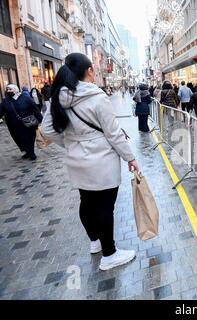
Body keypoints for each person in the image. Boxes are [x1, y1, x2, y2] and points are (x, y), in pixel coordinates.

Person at [41, 53, 138, 271]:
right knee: (105, 207)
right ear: (89, 71)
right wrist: (130, 158)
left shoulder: (59, 96)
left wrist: (70, 143)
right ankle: (110, 254)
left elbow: (47, 129)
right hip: (101, 161)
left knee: (87, 202)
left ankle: (95, 242)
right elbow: (113, 134)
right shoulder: (96, 96)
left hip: (77, 161)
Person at [0, 84, 43, 160]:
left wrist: (41, 120)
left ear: (16, 89)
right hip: (13, 125)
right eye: (7, 89)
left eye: (10, 89)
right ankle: (27, 151)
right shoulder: (5, 101)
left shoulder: (26, 98)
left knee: (29, 137)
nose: (8, 91)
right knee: (19, 139)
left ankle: (31, 153)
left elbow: (35, 109)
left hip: (28, 122)